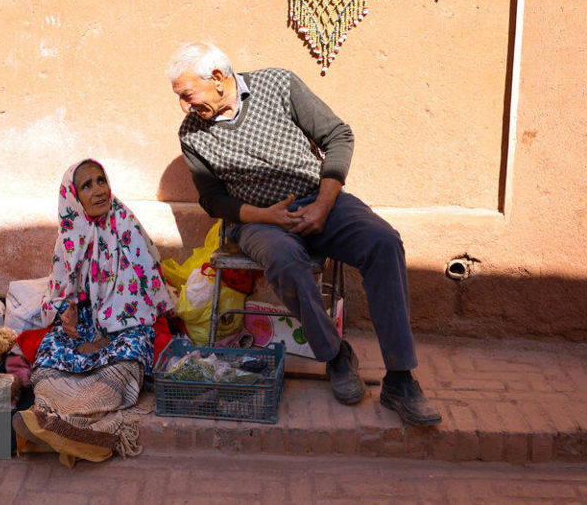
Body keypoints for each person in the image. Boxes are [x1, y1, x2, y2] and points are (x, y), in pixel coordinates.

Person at [167, 42, 441, 427]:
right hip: (257, 221)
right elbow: (213, 199)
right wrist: (267, 216)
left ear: (217, 78)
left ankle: (400, 378)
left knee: (384, 242)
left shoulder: (278, 85)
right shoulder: (193, 133)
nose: (184, 106)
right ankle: (335, 355)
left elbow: (338, 136)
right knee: (284, 260)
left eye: (186, 95)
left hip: (320, 198)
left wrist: (323, 205)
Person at [12, 159, 175, 467]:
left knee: (129, 354)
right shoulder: (70, 233)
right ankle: (46, 413)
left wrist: (102, 341)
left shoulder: (124, 223)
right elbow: (64, 289)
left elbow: (138, 291)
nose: (99, 190)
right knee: (52, 348)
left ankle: (73, 422)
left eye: (101, 181)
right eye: (87, 185)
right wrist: (68, 317)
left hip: (128, 318)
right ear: (73, 195)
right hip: (88, 317)